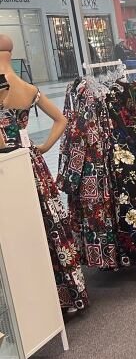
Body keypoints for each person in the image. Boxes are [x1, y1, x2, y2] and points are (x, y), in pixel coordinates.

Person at [0, 34, 88, 312]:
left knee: (17, 232)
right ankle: (63, 295)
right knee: (47, 226)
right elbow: (62, 119)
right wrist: (43, 146)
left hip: (7, 165)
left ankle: (30, 304)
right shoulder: (27, 88)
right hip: (32, 163)